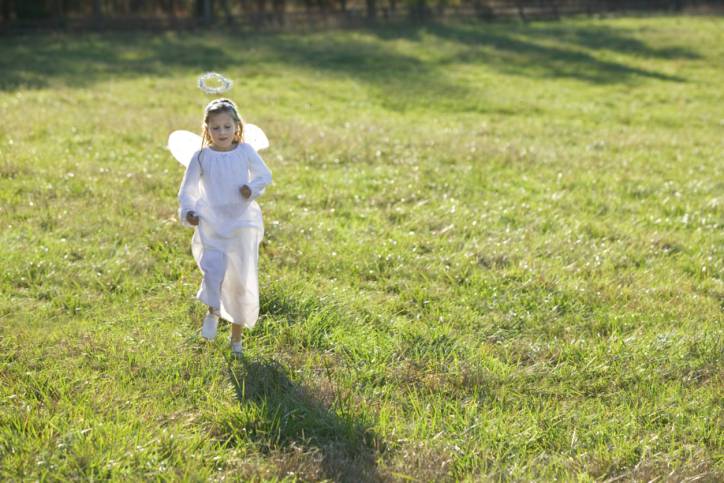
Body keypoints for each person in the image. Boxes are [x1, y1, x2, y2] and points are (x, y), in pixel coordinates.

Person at [177, 98, 272, 356]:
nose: (222, 133)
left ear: (236, 127)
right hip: (212, 222)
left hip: (241, 222)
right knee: (214, 271)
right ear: (206, 129)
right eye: (216, 128)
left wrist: (251, 188)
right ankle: (213, 310)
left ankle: (236, 339)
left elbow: (265, 175)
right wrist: (189, 212)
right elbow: (188, 190)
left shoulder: (245, 152)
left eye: (227, 127)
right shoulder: (201, 158)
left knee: (240, 280)